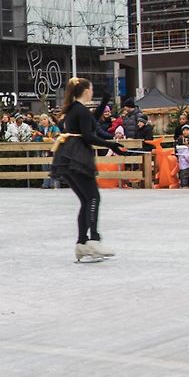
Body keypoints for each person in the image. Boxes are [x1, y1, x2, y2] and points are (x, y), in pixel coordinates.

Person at [51, 77, 126, 262]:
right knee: (93, 197)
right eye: (91, 89)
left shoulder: (72, 110)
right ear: (86, 90)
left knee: (86, 200)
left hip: (66, 156)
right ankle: (94, 239)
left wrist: (104, 102)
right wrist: (112, 145)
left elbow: (90, 121)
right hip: (78, 157)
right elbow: (88, 136)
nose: (92, 91)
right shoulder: (80, 110)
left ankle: (81, 243)